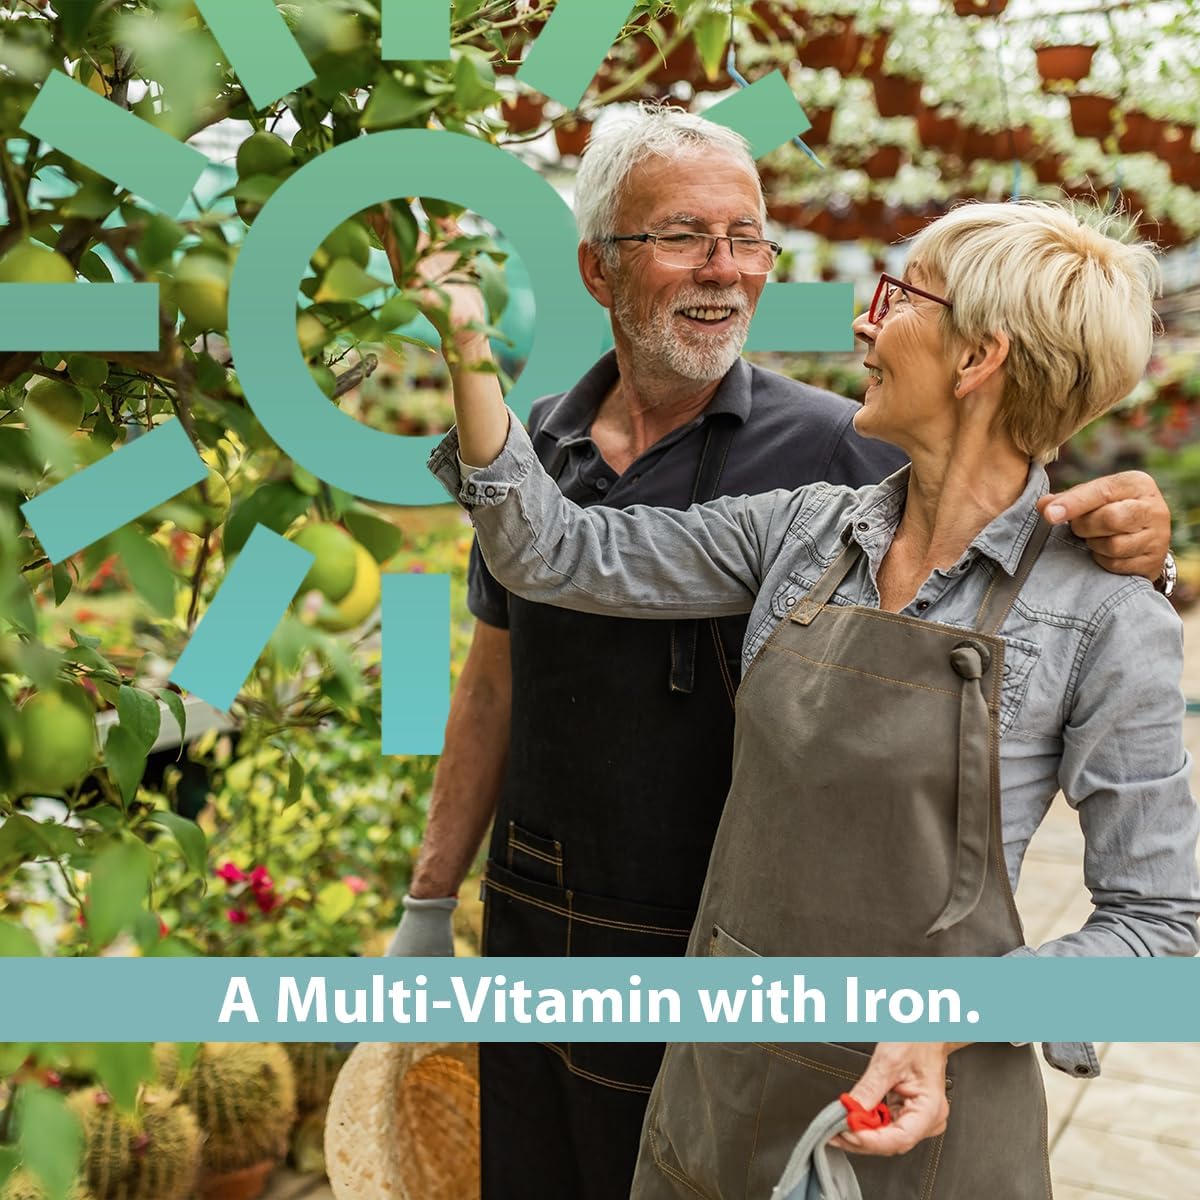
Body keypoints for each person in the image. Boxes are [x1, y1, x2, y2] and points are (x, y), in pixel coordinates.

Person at [386, 106, 1176, 1199]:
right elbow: (551, 551)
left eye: (899, 298)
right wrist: (466, 345)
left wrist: (955, 1017)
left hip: (907, 1107)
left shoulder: (1102, 614)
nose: (863, 319)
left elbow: (1162, 928)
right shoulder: (806, 531)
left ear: (979, 357)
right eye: (683, 235)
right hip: (721, 1069)